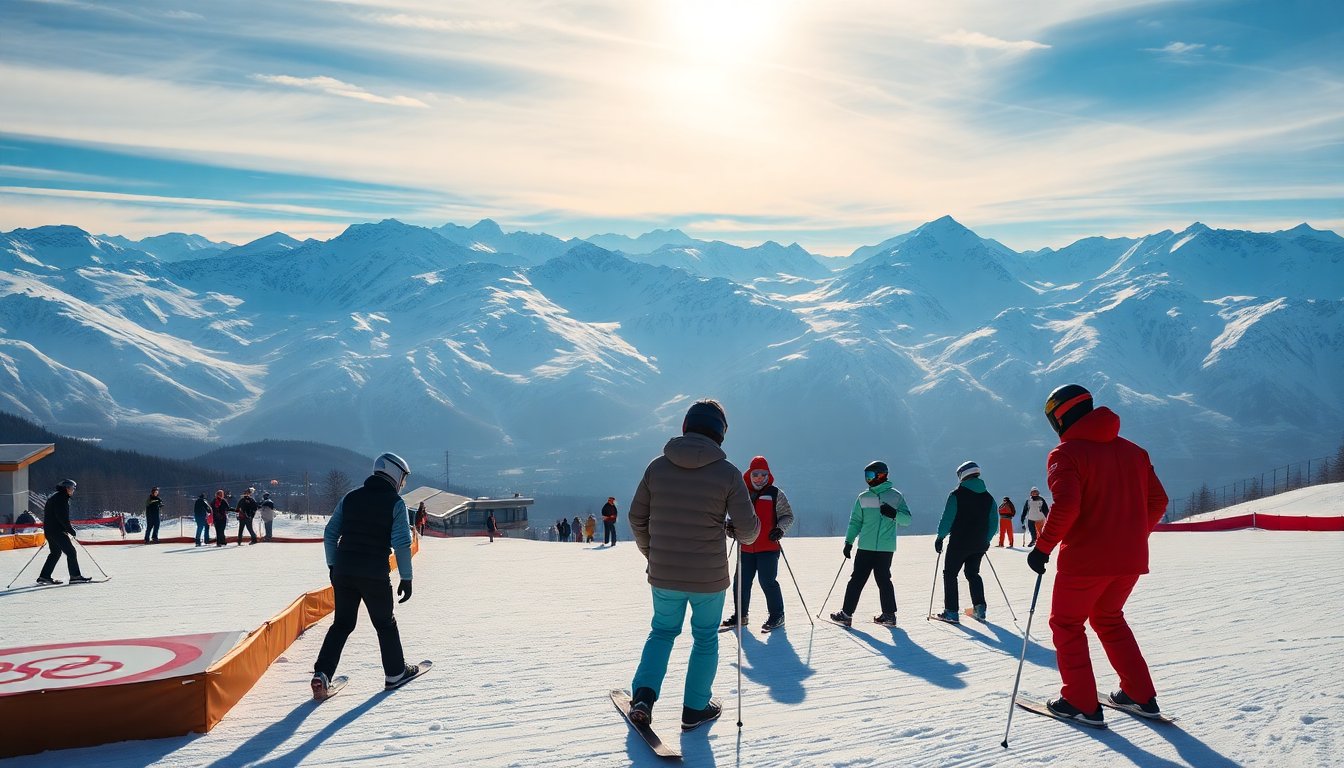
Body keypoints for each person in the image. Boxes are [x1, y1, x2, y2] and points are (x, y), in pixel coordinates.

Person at [1028, 384, 1169, 725]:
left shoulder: (1066, 454)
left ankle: (1079, 701)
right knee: (1108, 618)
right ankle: (1139, 694)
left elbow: (1067, 506)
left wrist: (1042, 547)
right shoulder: (1136, 452)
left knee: (1066, 623)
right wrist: (1129, 535)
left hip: (1086, 560)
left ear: (1059, 417)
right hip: (1130, 559)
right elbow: (1159, 502)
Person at [627, 399, 760, 732]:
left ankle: (643, 697)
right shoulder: (729, 474)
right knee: (704, 639)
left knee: (662, 632)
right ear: (720, 435)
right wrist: (730, 526)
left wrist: (651, 552)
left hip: (665, 573)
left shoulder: (656, 467)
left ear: (685, 426)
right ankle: (695, 708)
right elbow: (749, 531)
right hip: (709, 578)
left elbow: (635, 517)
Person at [312, 452, 422, 697]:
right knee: (385, 623)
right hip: (374, 573)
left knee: (341, 624)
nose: (402, 484)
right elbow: (402, 543)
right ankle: (395, 673)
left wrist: (333, 566)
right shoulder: (395, 503)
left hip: (343, 571)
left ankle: (322, 675)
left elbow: (330, 533)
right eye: (403, 478)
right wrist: (406, 577)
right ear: (395, 474)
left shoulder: (350, 497)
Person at [830, 460, 912, 627]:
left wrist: (894, 514)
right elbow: (855, 522)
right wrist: (849, 542)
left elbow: (907, 520)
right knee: (856, 580)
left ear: (882, 475)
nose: (868, 480)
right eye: (866, 476)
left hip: (885, 548)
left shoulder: (895, 496)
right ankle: (846, 614)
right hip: (865, 547)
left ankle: (889, 615)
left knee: (883, 580)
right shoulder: (863, 497)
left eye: (871, 476)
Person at [721, 455, 794, 633]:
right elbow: (732, 516)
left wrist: (780, 529)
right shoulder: (741, 492)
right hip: (745, 545)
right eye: (756, 474)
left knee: (767, 581)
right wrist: (729, 527)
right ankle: (741, 616)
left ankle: (777, 615)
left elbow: (788, 516)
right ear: (750, 474)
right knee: (741, 582)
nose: (759, 478)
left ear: (768, 475)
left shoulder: (776, 493)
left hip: (768, 547)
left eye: (763, 474)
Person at [932, 461, 997, 623]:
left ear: (962, 475)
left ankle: (951, 612)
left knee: (950, 574)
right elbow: (994, 523)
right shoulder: (989, 498)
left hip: (959, 544)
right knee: (973, 573)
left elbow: (947, 518)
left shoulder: (956, 494)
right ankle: (979, 609)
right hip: (979, 544)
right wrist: (986, 540)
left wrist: (940, 537)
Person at [37, 480, 92, 585]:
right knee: (71, 552)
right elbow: (61, 517)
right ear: (66, 488)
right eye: (72, 488)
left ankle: (44, 576)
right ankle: (75, 576)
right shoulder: (61, 498)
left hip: (50, 530)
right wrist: (70, 529)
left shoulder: (55, 497)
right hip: (57, 531)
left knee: (55, 553)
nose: (73, 490)